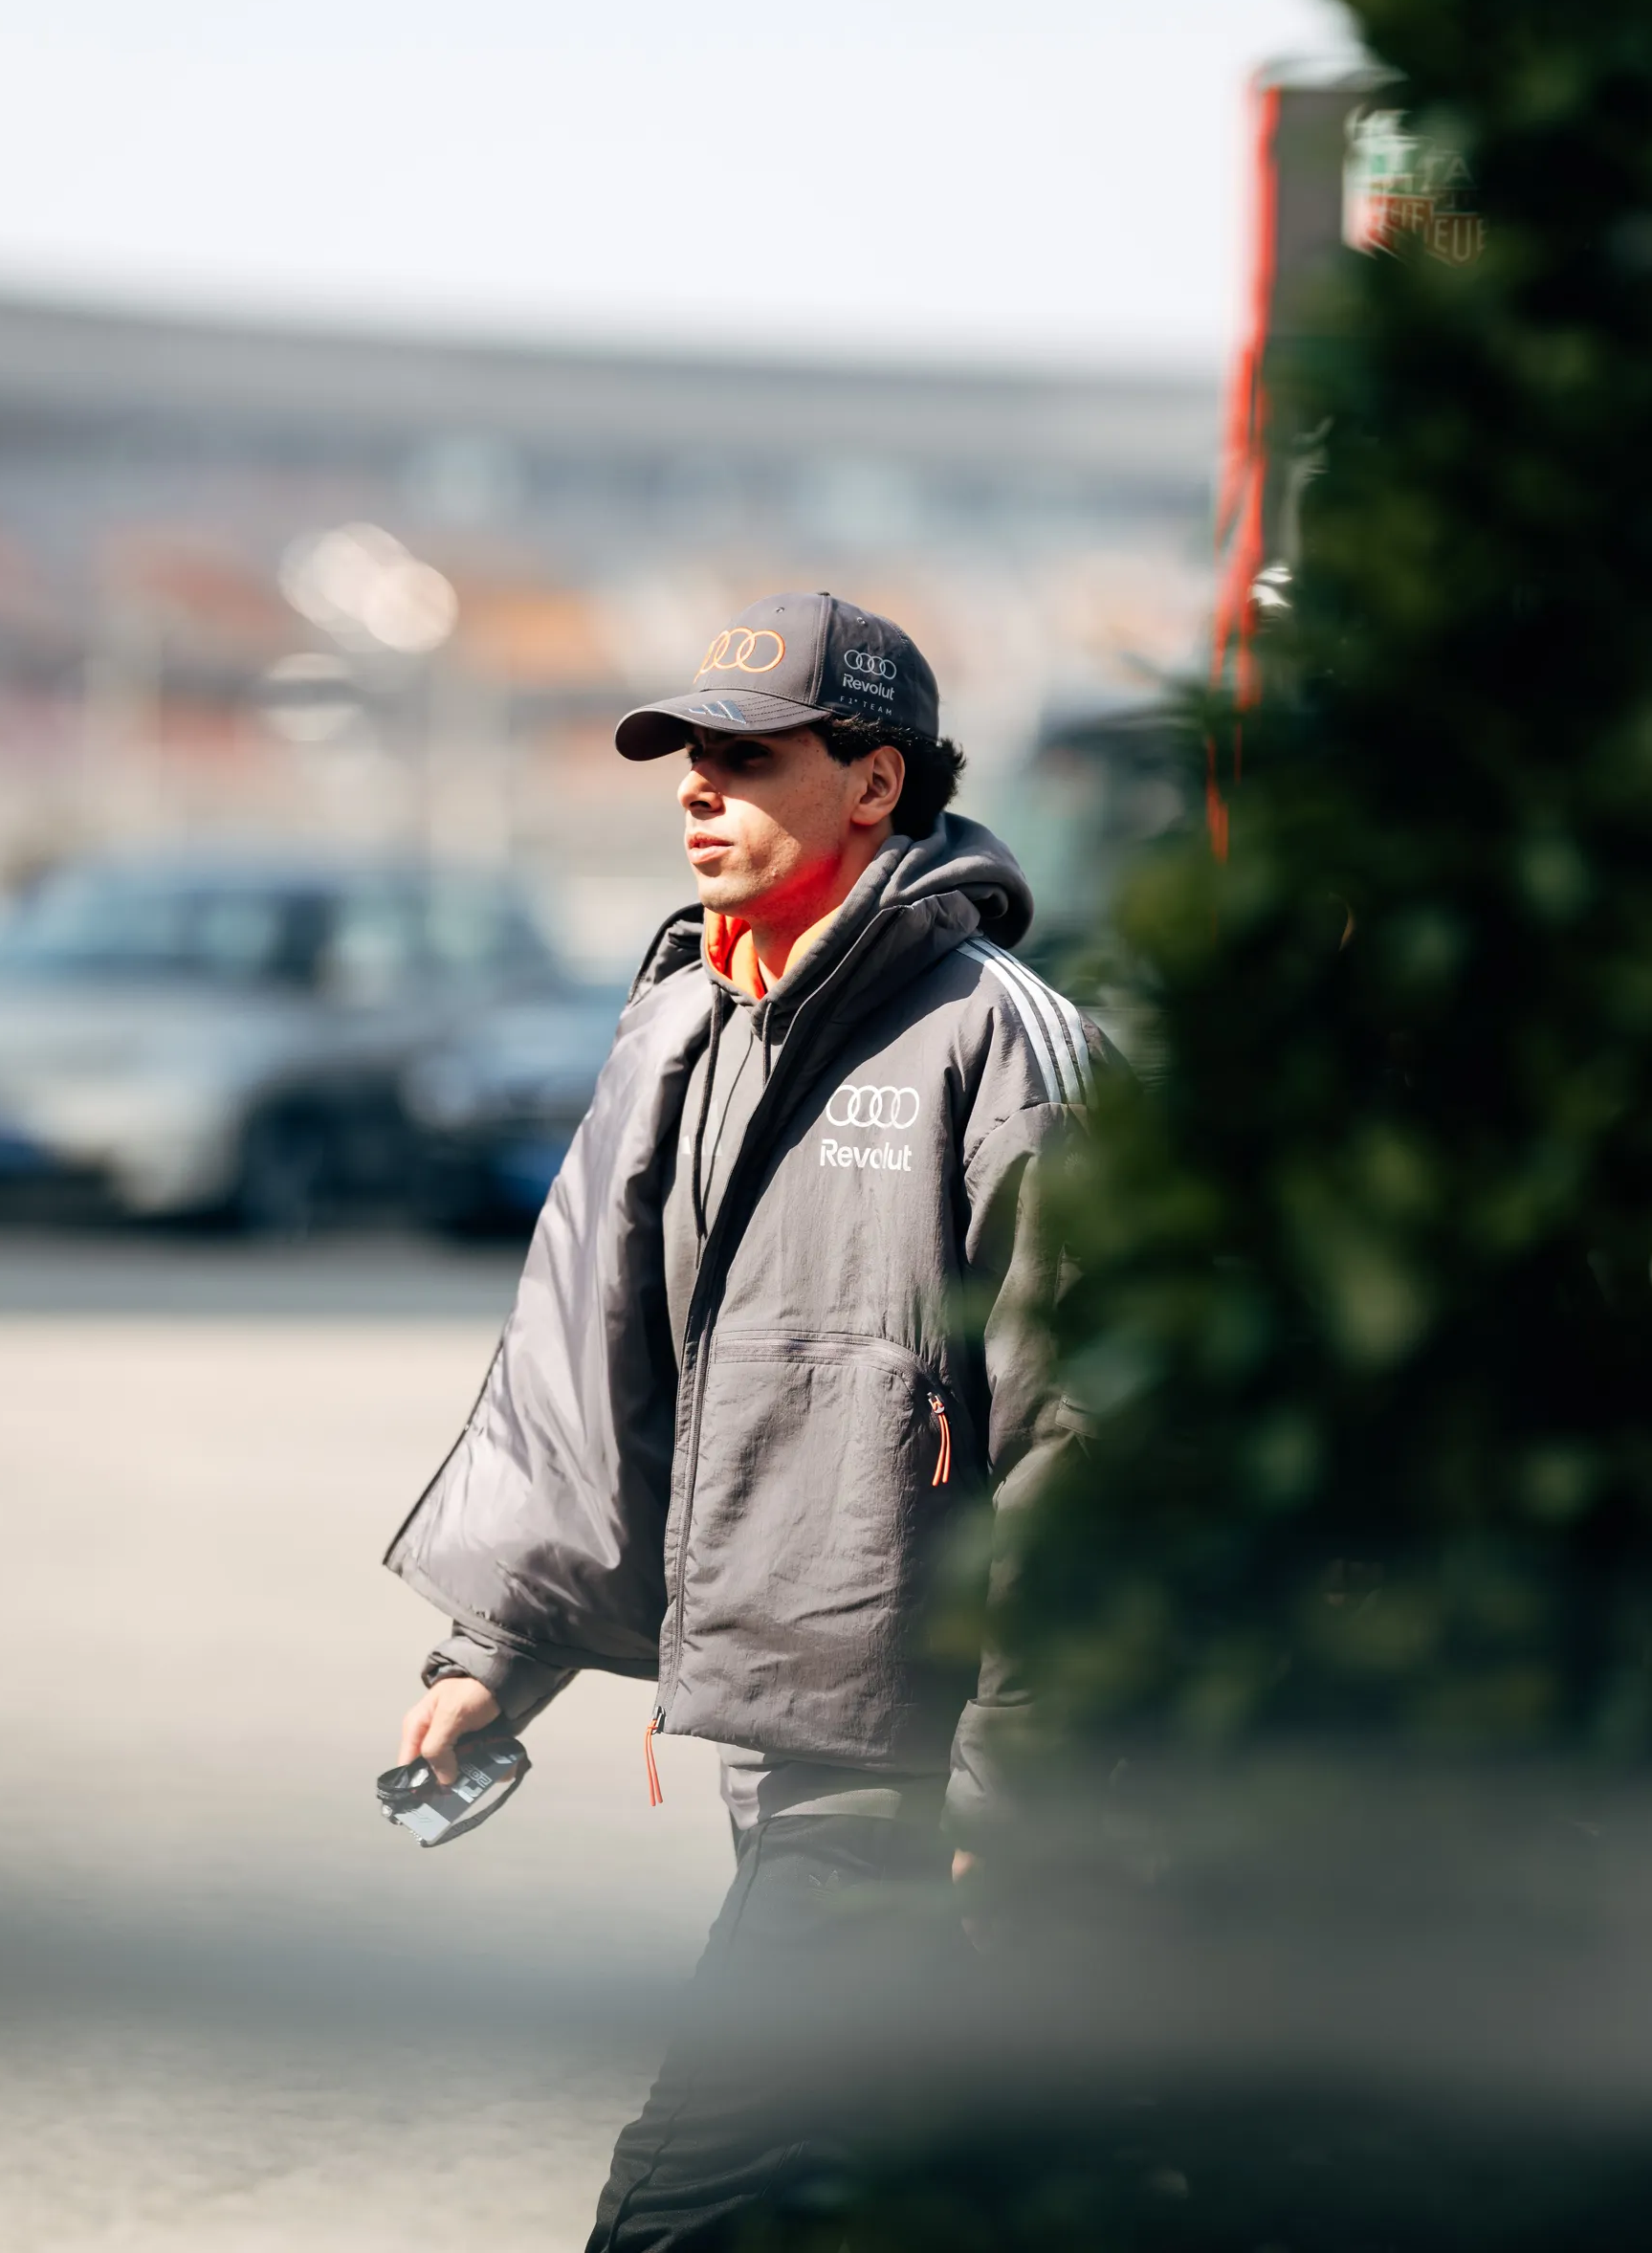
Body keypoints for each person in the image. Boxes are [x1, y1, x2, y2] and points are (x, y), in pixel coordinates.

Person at [386, 590, 1112, 2249]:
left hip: (910, 1777)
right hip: (786, 1761)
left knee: (673, 2212)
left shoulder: (1003, 1046)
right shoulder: (687, 1025)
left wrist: (1025, 1793)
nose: (698, 789)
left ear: (876, 783)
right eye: (688, 757)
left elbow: (1080, 1439)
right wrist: (494, 1648)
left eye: (747, 757)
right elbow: (605, 1371)